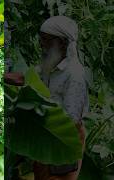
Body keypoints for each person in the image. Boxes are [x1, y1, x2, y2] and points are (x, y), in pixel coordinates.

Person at [33, 16, 89, 180]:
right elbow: (29, 77)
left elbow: (72, 119)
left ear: (61, 43)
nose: (42, 44)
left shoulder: (74, 74)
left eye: (46, 40)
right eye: (41, 39)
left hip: (64, 136)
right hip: (47, 134)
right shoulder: (51, 64)